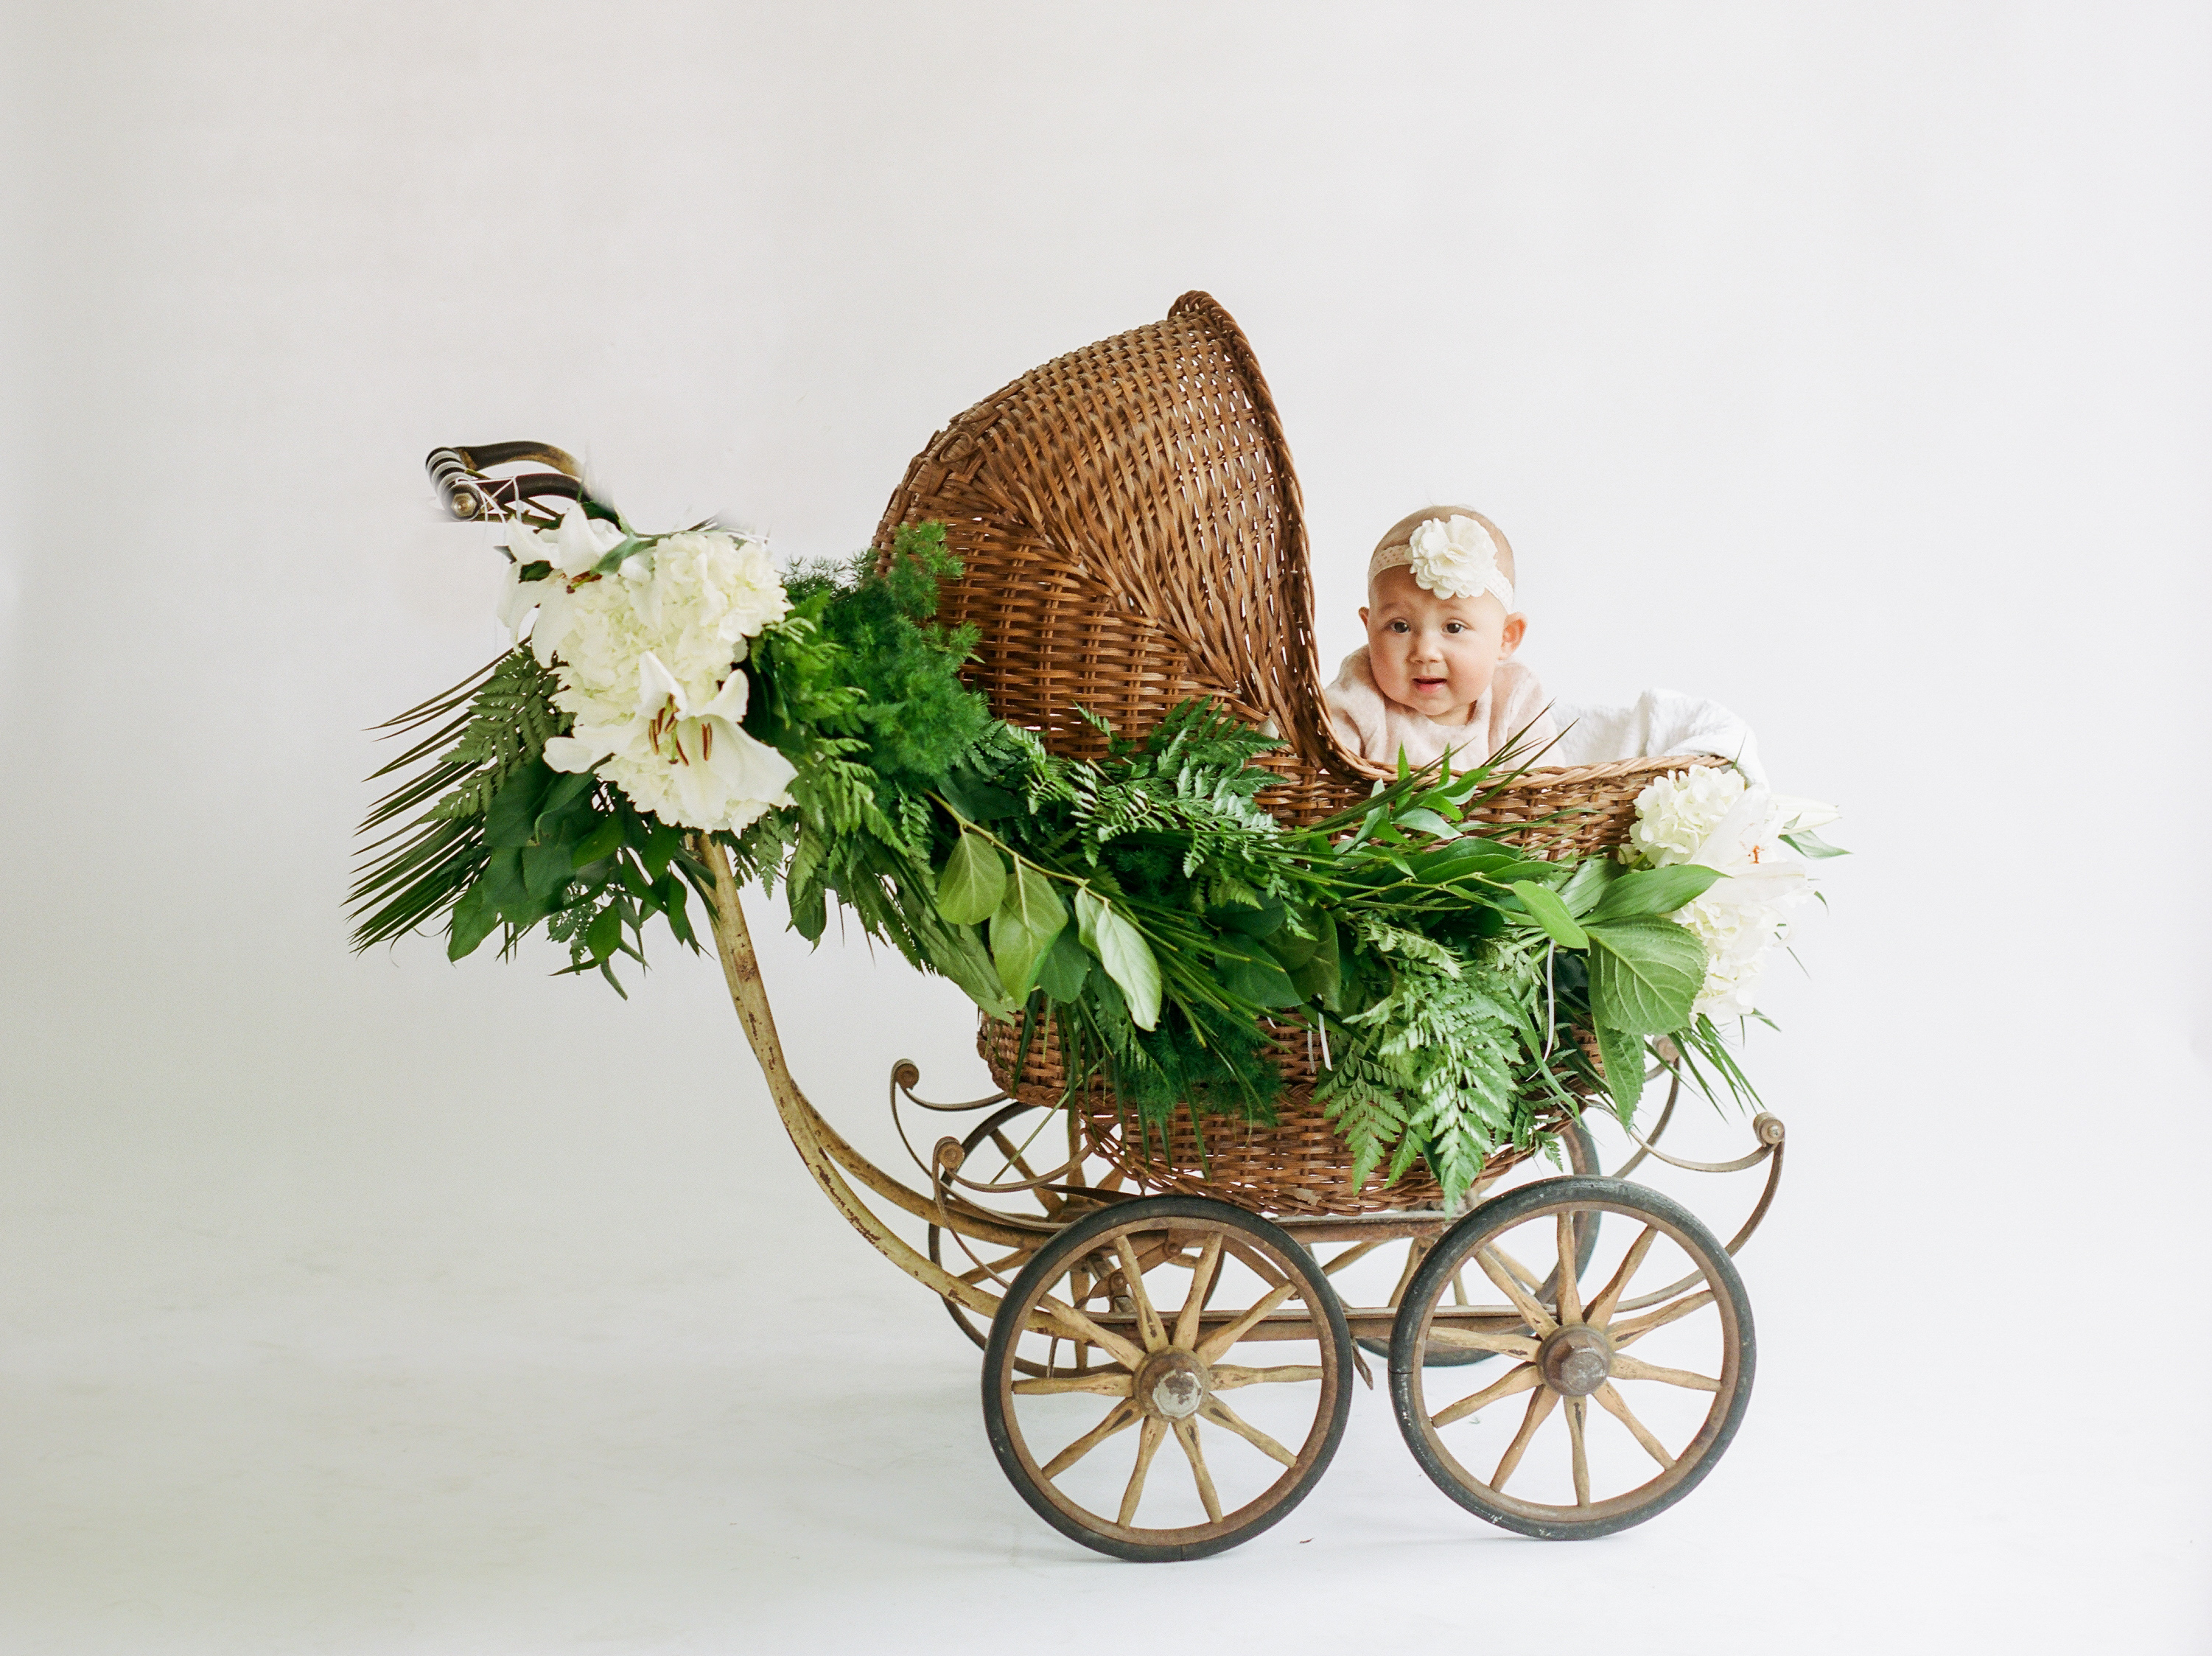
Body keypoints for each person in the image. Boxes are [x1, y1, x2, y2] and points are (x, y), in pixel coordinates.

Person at [1324, 507, 1556, 772]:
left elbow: (1542, 795)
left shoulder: (1514, 695)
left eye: (1454, 628)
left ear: (1506, 638)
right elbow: (1320, 777)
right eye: (1400, 627)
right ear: (1369, 629)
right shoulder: (1360, 692)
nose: (1425, 652)